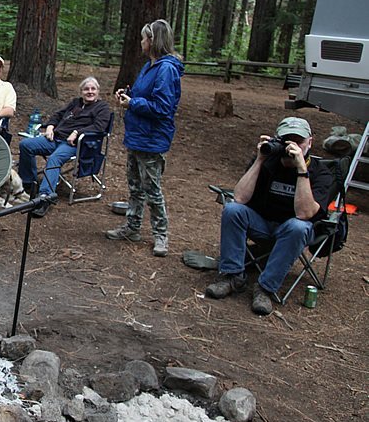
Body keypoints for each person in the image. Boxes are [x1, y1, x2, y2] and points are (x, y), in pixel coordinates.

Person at [205, 117, 333, 315]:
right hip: (262, 223)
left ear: (310, 142)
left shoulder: (321, 173)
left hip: (292, 231)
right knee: (232, 210)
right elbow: (239, 197)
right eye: (286, 141)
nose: (291, 147)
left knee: (298, 226)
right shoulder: (268, 161)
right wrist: (259, 159)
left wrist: (301, 169)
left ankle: (265, 288)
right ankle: (232, 277)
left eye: (298, 141)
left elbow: (305, 214)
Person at [106, 18, 183, 257]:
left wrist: (133, 103)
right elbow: (144, 95)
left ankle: (161, 236)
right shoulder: (150, 66)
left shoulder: (167, 69)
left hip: (152, 139)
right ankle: (132, 227)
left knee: (152, 190)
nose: (141, 42)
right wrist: (128, 95)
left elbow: (163, 107)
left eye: (144, 38)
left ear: (153, 41)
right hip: (137, 136)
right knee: (135, 187)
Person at [17, 77, 111, 217]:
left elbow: (99, 127)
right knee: (26, 145)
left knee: (55, 159)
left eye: (93, 89)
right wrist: (50, 126)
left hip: (76, 144)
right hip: (56, 138)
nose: (90, 92)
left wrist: (77, 132)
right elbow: (58, 114)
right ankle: (29, 182)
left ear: (98, 91)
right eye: (86, 89)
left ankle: (45, 197)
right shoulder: (75, 103)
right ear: (81, 92)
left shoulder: (102, 108)